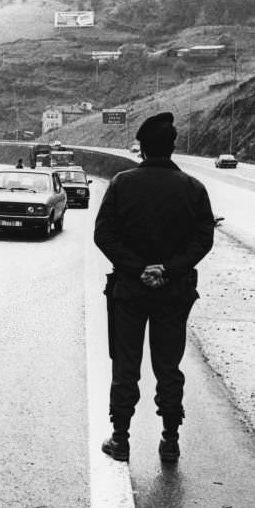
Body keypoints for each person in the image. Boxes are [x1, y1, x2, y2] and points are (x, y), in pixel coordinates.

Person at [93, 112, 215, 463]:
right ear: (172, 147)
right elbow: (202, 239)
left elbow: (104, 235)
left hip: (130, 292)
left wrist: (138, 268)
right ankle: (170, 440)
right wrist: (169, 270)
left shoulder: (121, 184)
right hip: (174, 293)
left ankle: (121, 439)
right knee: (168, 366)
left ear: (142, 148)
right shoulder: (194, 189)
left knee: (126, 366)